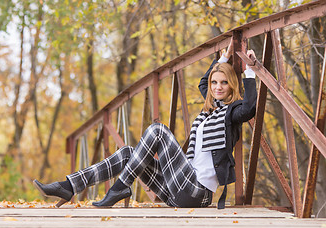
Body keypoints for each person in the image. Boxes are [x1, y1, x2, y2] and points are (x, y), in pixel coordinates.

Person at [33, 39, 257, 209]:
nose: (218, 87)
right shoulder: (210, 111)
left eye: (224, 83)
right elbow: (203, 83)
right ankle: (69, 186)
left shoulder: (231, 112)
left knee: (157, 131)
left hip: (197, 193)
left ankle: (120, 187)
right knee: (129, 153)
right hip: (176, 192)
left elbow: (249, 108)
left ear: (232, 86)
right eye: (215, 82)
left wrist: (249, 70)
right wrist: (222, 60)